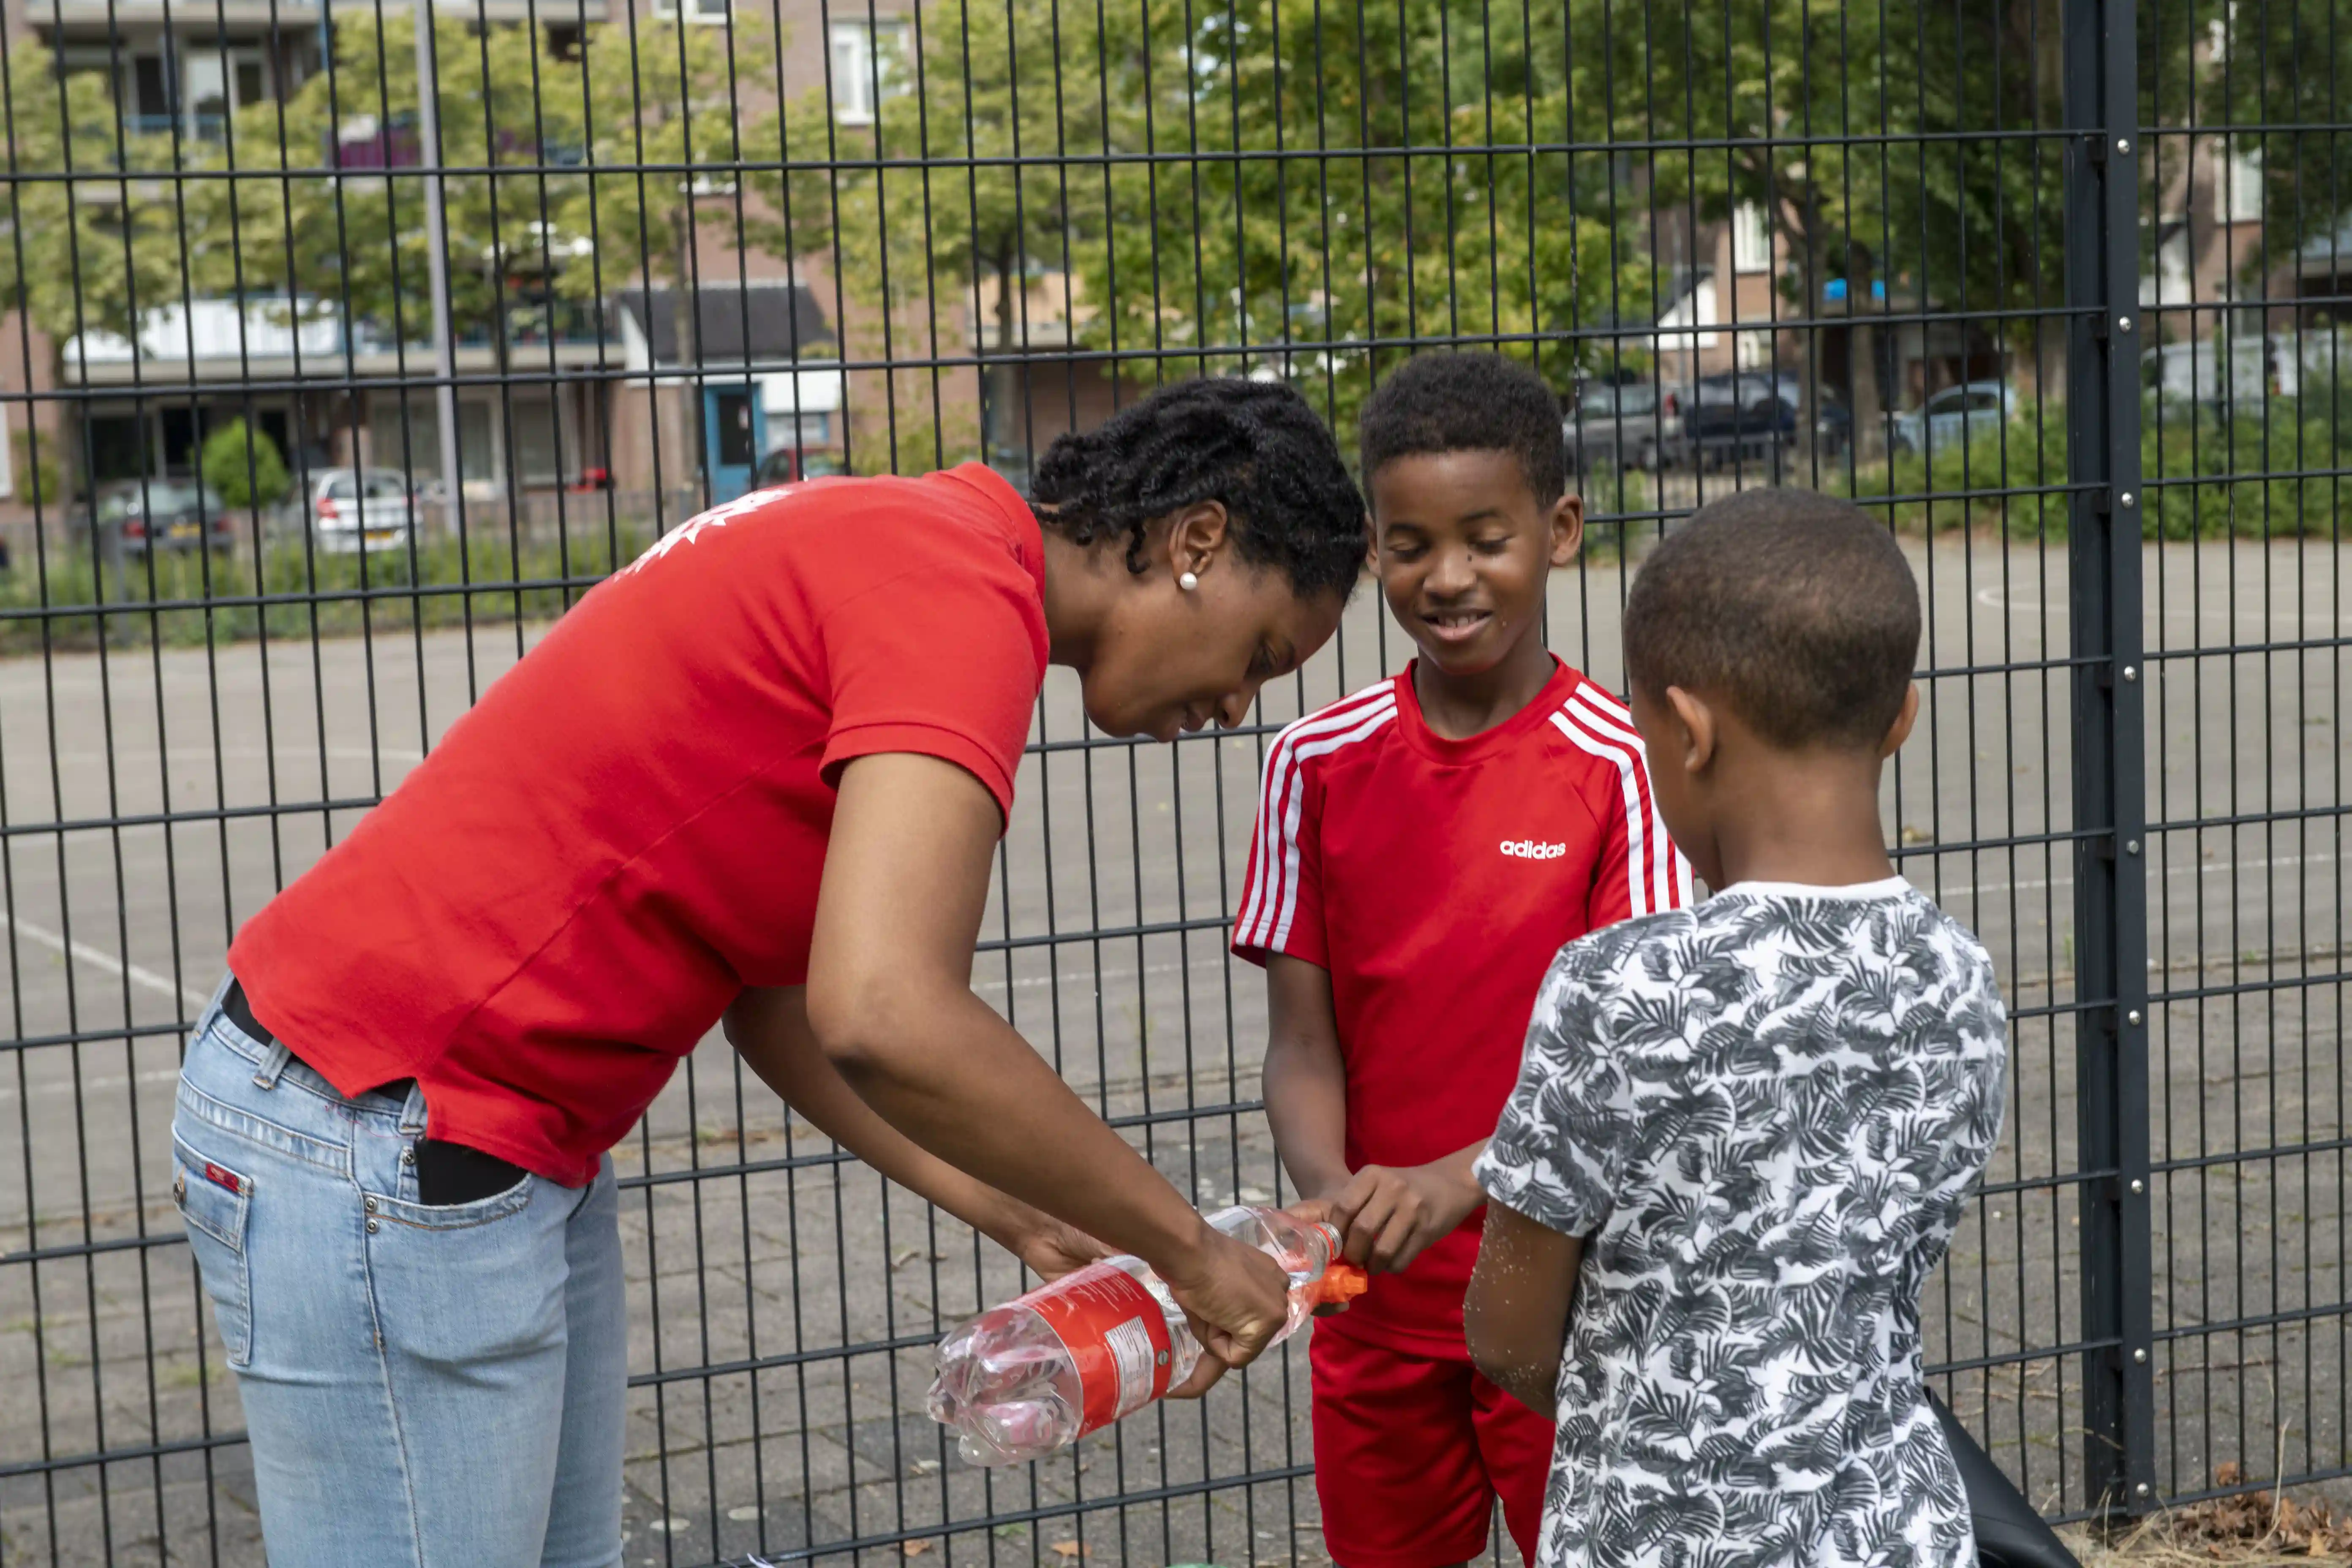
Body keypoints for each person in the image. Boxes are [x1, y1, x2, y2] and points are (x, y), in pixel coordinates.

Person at [166, 377, 1371, 1566]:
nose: (1236, 705)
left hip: (487, 1145)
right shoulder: (959, 600)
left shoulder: (920, 541)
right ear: (1194, 540)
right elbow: (890, 1013)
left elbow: (785, 1001)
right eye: (1262, 652)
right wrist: (1188, 1250)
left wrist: (1022, 1210)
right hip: (381, 1125)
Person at [1463, 488, 2010, 1568]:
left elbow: (1508, 1330)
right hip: (1896, 1532)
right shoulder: (1962, 976)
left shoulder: (1621, 985)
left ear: (1688, 730)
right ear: (1902, 715)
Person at [1231, 353, 1686, 1568]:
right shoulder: (1312, 765)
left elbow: (1623, 1069)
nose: (1448, 578)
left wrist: (1455, 1182)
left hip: (1576, 1311)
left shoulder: (1622, 766)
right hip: (1375, 1315)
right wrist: (1329, 1192)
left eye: (1486, 539)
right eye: (1410, 544)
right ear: (1373, 548)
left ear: (1561, 530)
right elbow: (1301, 1041)